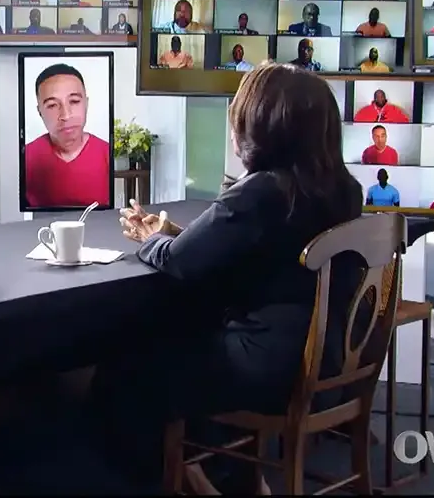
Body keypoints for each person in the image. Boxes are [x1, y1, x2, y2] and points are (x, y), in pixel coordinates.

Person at [93, 62, 364, 488]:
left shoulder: (259, 193)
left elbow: (179, 262)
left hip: (264, 371)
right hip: (325, 367)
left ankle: (184, 482)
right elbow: (257, 252)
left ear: (261, 127)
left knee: (127, 371)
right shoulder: (343, 191)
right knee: (183, 345)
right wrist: (176, 236)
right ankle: (225, 477)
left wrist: (150, 238)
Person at [23, 63, 110, 208]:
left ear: (86, 104)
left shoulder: (107, 153)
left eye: (74, 101)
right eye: (52, 105)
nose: (66, 115)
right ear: (40, 112)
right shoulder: (24, 158)